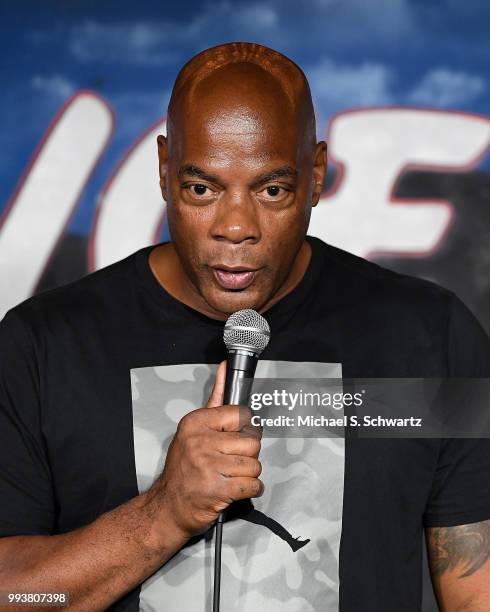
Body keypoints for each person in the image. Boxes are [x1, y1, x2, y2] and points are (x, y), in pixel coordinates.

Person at [0, 41, 489, 612]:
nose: (235, 228)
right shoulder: (44, 345)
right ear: (163, 171)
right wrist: (163, 514)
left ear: (317, 175)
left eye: (272, 190)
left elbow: (476, 588)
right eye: (201, 189)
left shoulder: (429, 337)